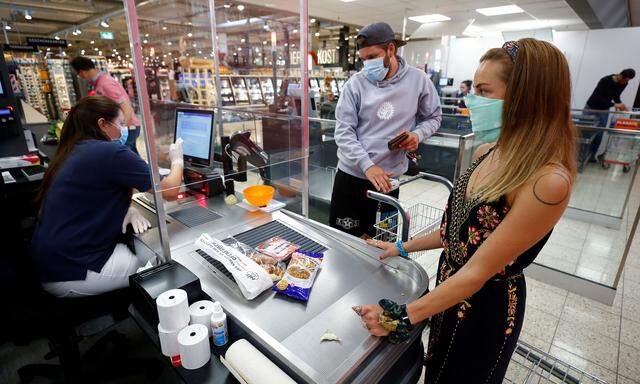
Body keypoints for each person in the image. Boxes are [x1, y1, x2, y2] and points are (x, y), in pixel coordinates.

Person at [359, 38, 576, 383]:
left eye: (483, 91)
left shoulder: (547, 181)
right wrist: (400, 247)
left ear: (525, 98)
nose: (470, 100)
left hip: (484, 309)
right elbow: (454, 230)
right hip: (448, 290)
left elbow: (478, 272)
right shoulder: (486, 153)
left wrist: (402, 317)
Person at [31, 96, 184, 298]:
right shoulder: (111, 151)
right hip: (72, 269)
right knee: (158, 266)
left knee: (137, 247)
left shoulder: (73, 149)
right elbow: (170, 191)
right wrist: (177, 161)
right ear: (102, 124)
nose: (124, 130)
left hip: (53, 260)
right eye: (120, 124)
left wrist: (128, 208)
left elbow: (105, 187)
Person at [330, 21, 441, 238]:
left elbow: (434, 117)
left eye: (372, 57)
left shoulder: (418, 80)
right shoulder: (355, 84)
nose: (367, 65)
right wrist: (367, 165)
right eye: (363, 60)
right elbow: (344, 132)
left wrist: (417, 134)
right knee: (343, 241)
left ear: (391, 49)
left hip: (388, 182)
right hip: (351, 176)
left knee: (381, 244)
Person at [70, 56, 142, 155]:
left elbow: (125, 105)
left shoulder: (105, 83)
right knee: (131, 156)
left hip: (128, 127)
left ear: (82, 72)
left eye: (79, 74)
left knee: (125, 157)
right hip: (124, 127)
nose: (81, 77)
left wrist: (123, 128)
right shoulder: (100, 82)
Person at [584, 68, 636, 161]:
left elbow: (616, 96)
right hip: (591, 107)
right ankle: (581, 156)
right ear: (620, 76)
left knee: (599, 133)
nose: (625, 83)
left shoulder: (623, 83)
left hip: (604, 110)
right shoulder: (605, 80)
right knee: (586, 132)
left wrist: (620, 104)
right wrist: (614, 104)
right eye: (625, 80)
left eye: (628, 81)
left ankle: (592, 156)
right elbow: (597, 98)